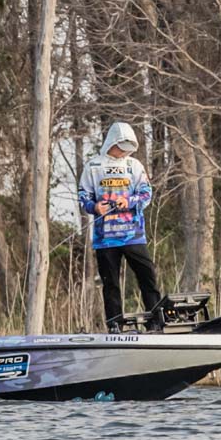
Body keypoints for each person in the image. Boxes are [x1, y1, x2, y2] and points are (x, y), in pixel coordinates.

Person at [78, 121, 162, 330]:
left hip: (133, 234)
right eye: (121, 147)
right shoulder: (93, 166)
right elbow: (83, 196)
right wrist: (95, 206)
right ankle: (115, 326)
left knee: (147, 276)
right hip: (105, 238)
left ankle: (156, 323)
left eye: (128, 148)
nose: (123, 152)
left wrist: (130, 202)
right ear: (112, 143)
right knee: (111, 284)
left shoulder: (134, 166)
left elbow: (146, 193)